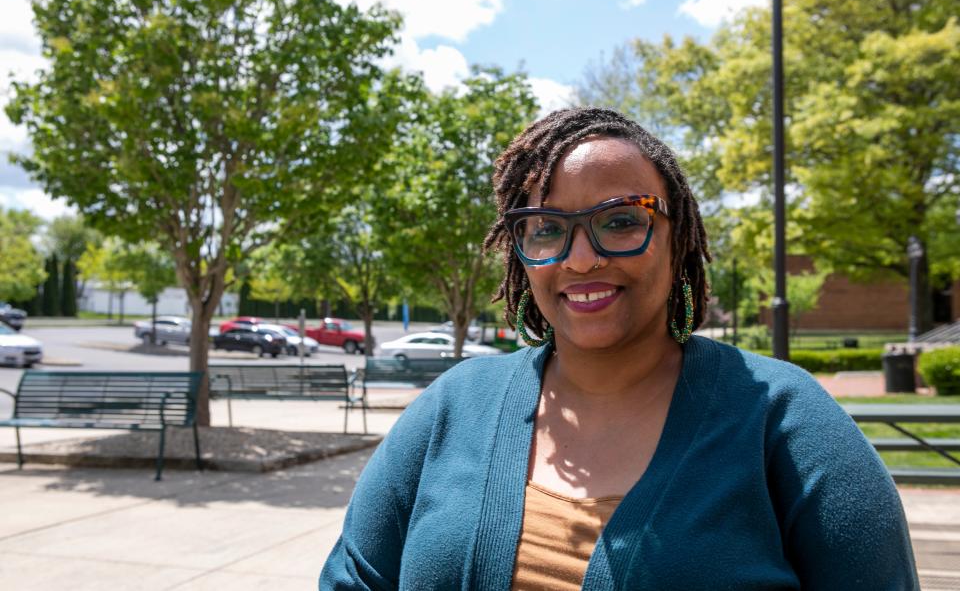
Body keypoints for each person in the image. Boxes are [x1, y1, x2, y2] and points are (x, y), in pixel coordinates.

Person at [320, 108, 919, 590]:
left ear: (677, 237)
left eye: (621, 221)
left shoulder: (783, 418)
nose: (581, 258)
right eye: (547, 228)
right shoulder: (452, 406)